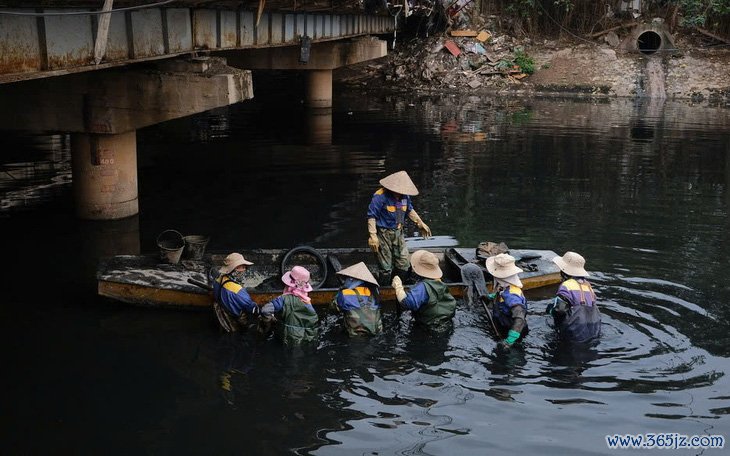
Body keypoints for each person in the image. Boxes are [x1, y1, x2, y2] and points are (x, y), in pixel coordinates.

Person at [367, 170, 432, 284]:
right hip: (383, 233)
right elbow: (372, 216)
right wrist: (373, 236)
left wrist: (420, 223)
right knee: (386, 267)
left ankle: (400, 285)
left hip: (398, 232)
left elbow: (409, 209)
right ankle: (384, 287)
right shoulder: (380, 196)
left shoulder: (404, 197)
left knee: (403, 264)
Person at [391, 249, 455, 329]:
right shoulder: (441, 283)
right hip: (445, 323)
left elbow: (406, 303)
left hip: (428, 327)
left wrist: (398, 286)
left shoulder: (423, 288)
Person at [547, 251, 601, 342]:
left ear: (564, 271)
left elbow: (560, 310)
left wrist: (550, 310)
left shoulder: (566, 286)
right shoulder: (588, 285)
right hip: (593, 331)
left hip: (573, 332)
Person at [260, 265, 319, 345]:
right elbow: (313, 320)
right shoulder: (307, 300)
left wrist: (269, 319)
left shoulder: (282, 299)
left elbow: (265, 310)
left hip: (287, 337)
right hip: (306, 337)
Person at [485, 253, 528, 349]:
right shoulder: (504, 286)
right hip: (503, 322)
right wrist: (490, 297)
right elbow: (500, 294)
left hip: (513, 331)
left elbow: (519, 318)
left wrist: (510, 340)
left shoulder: (512, 295)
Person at [330, 262, 383, 337]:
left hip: (356, 337)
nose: (345, 280)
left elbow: (333, 308)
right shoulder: (375, 292)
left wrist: (339, 293)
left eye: (347, 278)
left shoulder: (345, 294)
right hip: (376, 334)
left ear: (352, 279)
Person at [212, 252, 259, 332]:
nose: (245, 269)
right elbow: (251, 307)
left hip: (221, 311)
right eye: (242, 267)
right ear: (234, 269)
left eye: (245, 267)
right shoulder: (238, 291)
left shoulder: (219, 278)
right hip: (233, 318)